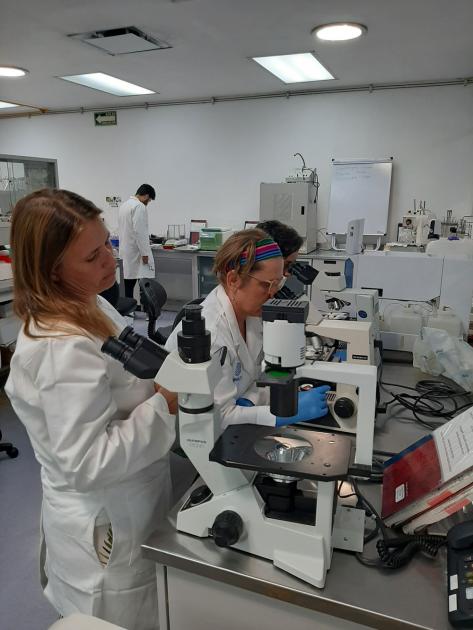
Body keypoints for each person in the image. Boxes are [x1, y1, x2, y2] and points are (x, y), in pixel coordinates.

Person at [5, 189, 177, 629]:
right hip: (105, 523)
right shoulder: (59, 346)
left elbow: (126, 369)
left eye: (107, 245)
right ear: (52, 270)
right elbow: (87, 461)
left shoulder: (90, 303)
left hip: (132, 495)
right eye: (92, 255)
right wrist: (164, 406)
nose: (109, 260)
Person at [164, 229, 329, 429]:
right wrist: (279, 415)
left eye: (278, 284)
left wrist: (252, 399)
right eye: (267, 285)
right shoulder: (212, 335)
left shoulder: (251, 315)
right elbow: (219, 418)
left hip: (235, 422)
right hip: (194, 436)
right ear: (234, 280)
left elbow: (253, 375)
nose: (273, 294)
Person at [118, 184, 156, 299]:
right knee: (144, 285)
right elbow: (140, 232)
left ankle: (128, 314)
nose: (147, 203)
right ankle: (147, 313)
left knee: (128, 283)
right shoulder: (139, 206)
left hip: (126, 250)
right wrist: (145, 253)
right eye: (148, 201)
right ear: (146, 196)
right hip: (137, 252)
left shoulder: (124, 205)